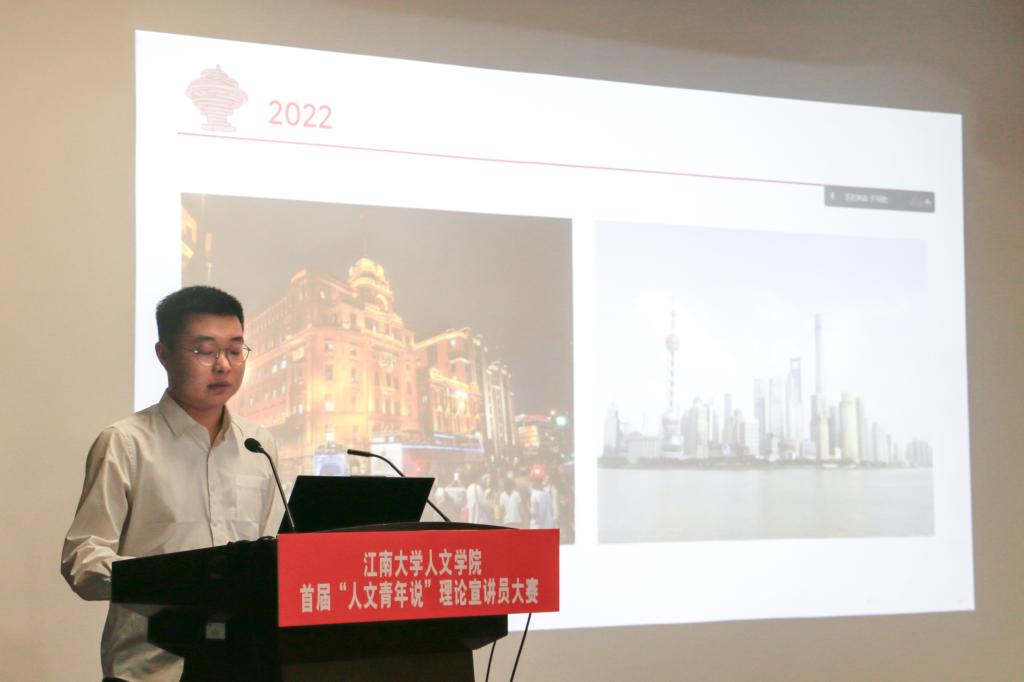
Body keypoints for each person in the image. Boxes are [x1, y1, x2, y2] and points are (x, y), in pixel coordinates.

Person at [61, 286, 282, 682]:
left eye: (235, 350)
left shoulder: (259, 444)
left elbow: (267, 550)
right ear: (163, 354)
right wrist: (171, 579)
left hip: (242, 663)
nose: (223, 365)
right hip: (151, 669)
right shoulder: (126, 443)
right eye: (205, 351)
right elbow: (83, 560)